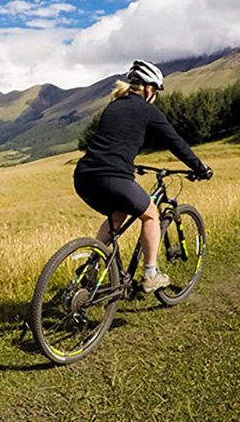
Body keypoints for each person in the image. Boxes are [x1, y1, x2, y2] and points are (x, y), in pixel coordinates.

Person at [73, 59, 212, 292]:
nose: (155, 95)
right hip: (112, 177)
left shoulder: (112, 106)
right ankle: (151, 275)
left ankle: (93, 266)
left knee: (117, 216)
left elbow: (114, 142)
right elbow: (175, 142)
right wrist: (199, 167)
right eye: (155, 91)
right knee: (150, 215)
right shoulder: (147, 109)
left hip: (84, 177)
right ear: (149, 89)